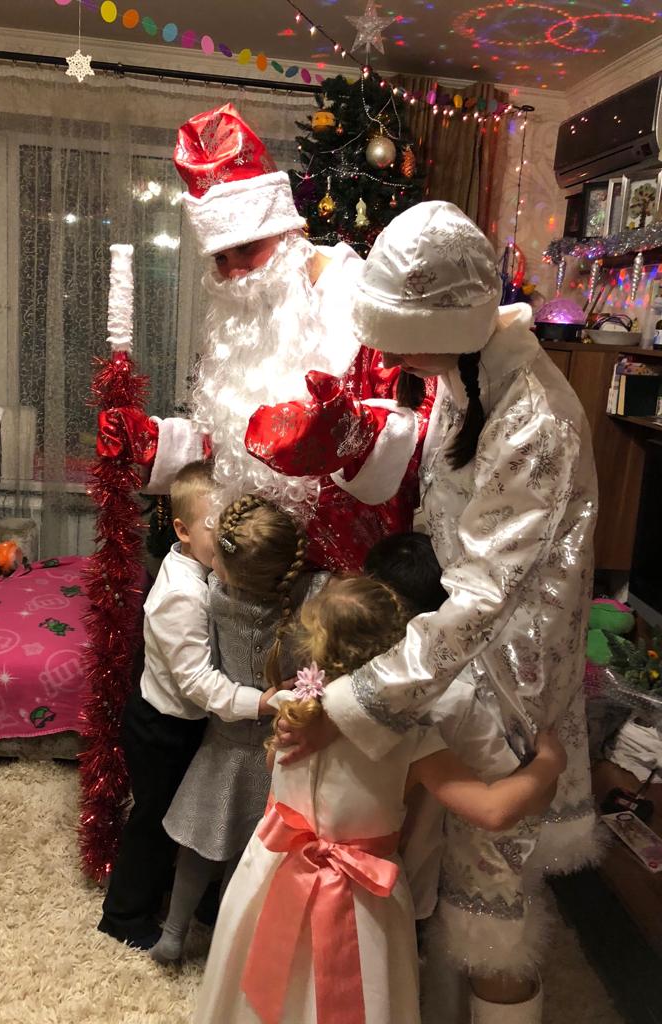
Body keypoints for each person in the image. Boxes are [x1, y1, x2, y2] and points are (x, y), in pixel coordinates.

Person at [260, 201, 599, 1024]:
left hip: (507, 685)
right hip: (452, 659)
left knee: (491, 908)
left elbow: (486, 593)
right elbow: (443, 530)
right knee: (435, 877)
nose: (386, 356)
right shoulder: (465, 376)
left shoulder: (535, 417)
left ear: (449, 323)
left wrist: (354, 698)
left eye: (399, 335)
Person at [192, 575, 567, 1024]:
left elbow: (275, 767)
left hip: (270, 869)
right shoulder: (410, 738)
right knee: (356, 992)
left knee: (266, 987)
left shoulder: (293, 706)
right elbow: (493, 810)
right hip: (360, 895)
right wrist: (550, 764)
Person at [97, 103, 435, 573]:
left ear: (287, 232)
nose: (235, 273)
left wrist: (349, 435)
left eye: (246, 250)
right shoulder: (247, 321)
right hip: (255, 572)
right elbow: (235, 450)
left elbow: (429, 438)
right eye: (221, 258)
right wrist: (157, 445)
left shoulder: (367, 314)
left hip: (350, 579)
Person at [97, 462, 275, 950]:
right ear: (182, 530)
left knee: (182, 815)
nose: (229, 539)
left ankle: (187, 896)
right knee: (156, 820)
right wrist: (259, 702)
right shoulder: (183, 594)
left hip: (183, 723)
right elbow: (197, 681)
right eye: (217, 528)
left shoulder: (204, 573)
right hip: (162, 727)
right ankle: (124, 914)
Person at [149, 494, 327, 964]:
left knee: (198, 847)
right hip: (278, 753)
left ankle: (173, 933)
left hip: (225, 745)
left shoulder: (214, 594)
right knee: (252, 859)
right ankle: (228, 948)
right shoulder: (313, 595)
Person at [364, 532, 521, 931]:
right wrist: (549, 766)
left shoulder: (340, 672)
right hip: (406, 871)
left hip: (330, 861)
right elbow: (499, 775)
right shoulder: (458, 696)